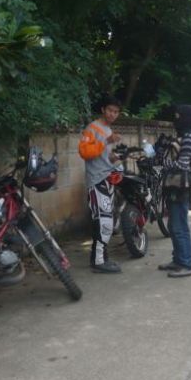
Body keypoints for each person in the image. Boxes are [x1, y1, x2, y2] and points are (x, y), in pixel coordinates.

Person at [78, 95, 123, 273]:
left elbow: (105, 156)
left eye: (116, 112)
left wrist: (116, 159)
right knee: (103, 222)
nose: (113, 114)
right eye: (110, 110)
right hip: (97, 180)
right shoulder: (93, 128)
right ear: (103, 109)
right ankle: (98, 262)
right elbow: (84, 152)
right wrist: (107, 141)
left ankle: (101, 258)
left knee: (106, 221)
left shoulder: (107, 129)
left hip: (107, 178)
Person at [158, 105, 191, 278]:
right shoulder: (183, 136)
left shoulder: (188, 138)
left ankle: (186, 264)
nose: (176, 120)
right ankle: (178, 260)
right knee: (174, 226)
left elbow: (183, 165)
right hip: (174, 186)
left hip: (180, 188)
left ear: (185, 118)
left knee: (180, 227)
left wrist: (162, 164)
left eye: (178, 116)